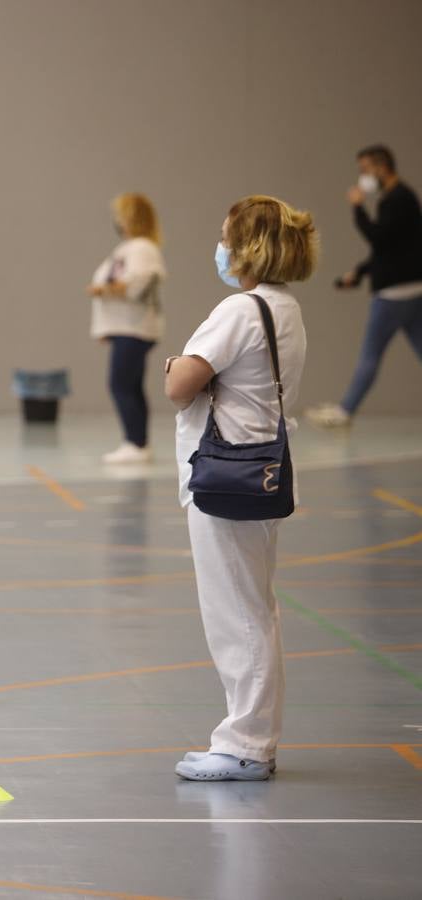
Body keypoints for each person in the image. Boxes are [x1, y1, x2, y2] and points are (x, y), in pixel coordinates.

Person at [164, 195, 316, 781]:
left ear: (247, 246)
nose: (221, 248)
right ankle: (249, 735)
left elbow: (182, 384)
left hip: (227, 475)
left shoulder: (239, 309)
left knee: (238, 612)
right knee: (254, 605)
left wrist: (175, 362)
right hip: (261, 472)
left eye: (227, 237)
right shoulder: (286, 308)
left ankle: (246, 742)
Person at [308, 145, 422, 427]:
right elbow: (391, 249)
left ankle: (345, 411)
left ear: (381, 167)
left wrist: (357, 207)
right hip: (412, 289)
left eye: (364, 170)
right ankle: (346, 410)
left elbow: (378, 239)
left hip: (393, 294)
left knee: (370, 354)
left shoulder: (396, 200)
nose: (362, 177)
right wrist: (359, 272)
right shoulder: (402, 198)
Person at [87, 192, 167, 464]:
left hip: (134, 329)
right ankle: (138, 442)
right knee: (131, 385)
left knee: (120, 384)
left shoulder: (142, 248)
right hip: (125, 329)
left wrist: (103, 290)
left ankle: (135, 441)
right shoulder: (130, 248)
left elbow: (139, 283)